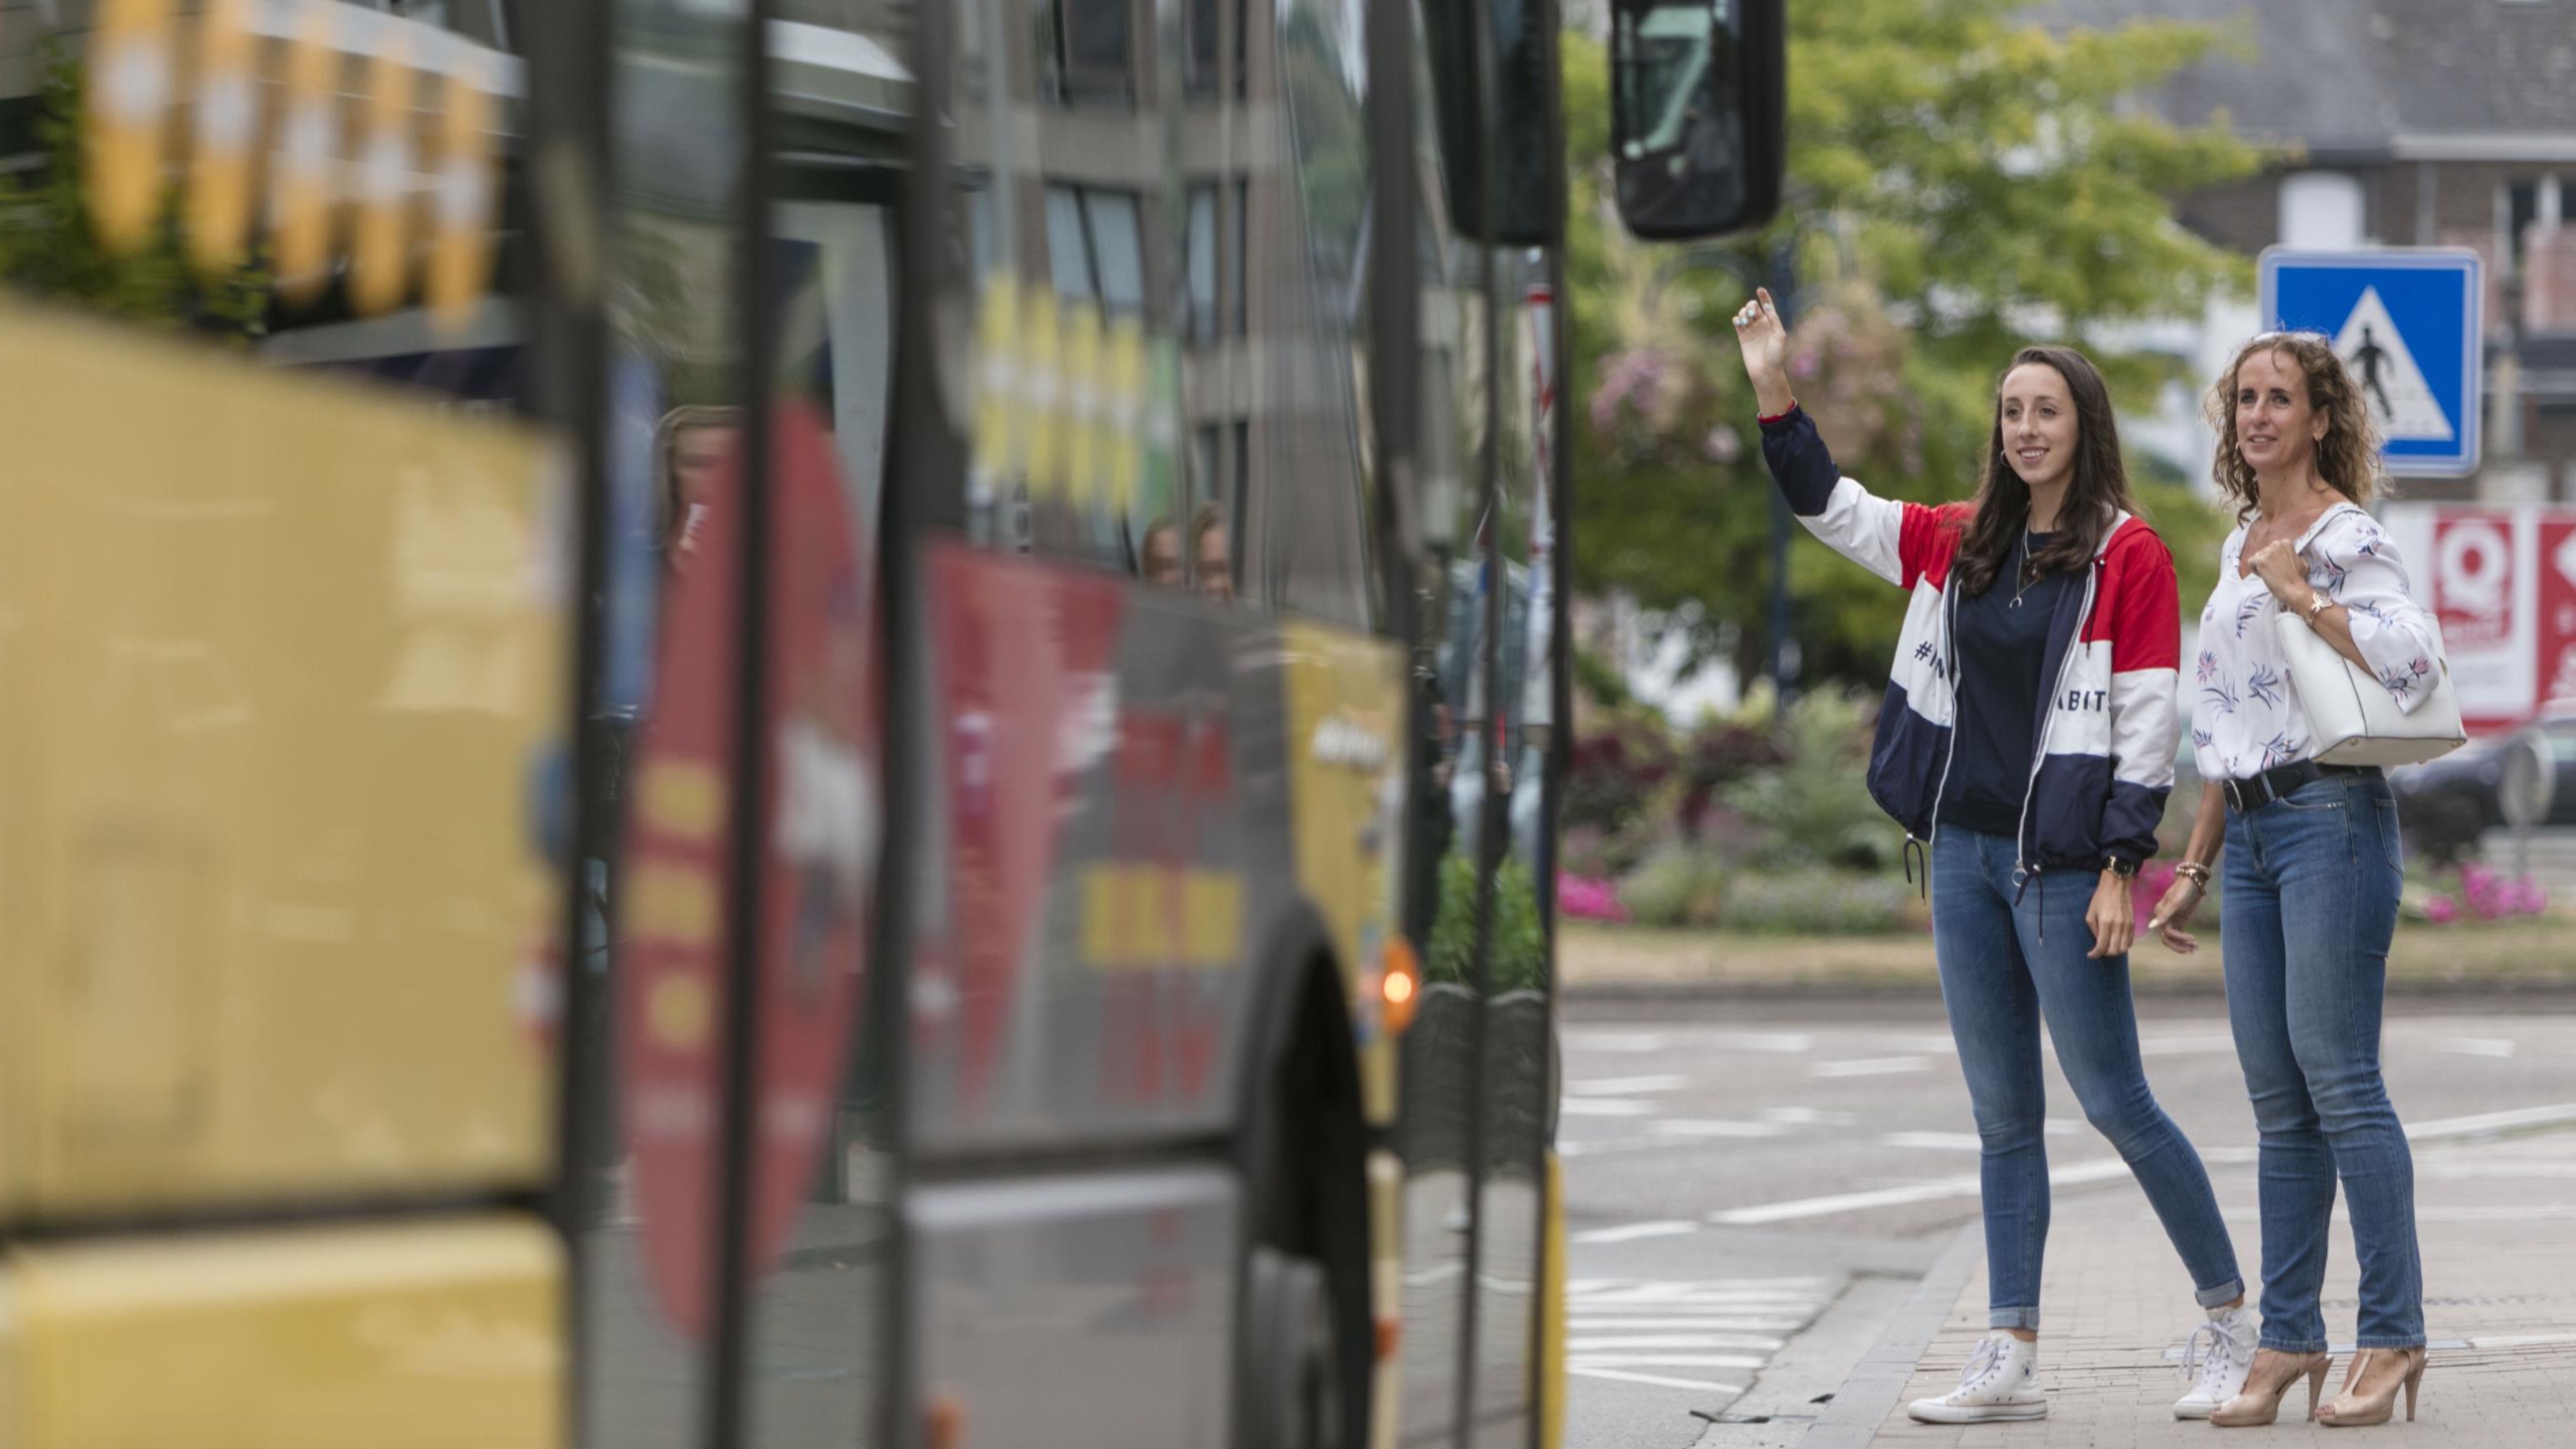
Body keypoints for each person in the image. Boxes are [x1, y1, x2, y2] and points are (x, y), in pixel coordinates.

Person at [1730, 288, 2248, 1424]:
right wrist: (1773, 380)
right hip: (1962, 859)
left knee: (2115, 1102)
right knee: (2001, 1119)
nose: (2024, 429)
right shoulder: (1960, 540)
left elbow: (2146, 722)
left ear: (2082, 427)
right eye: (2011, 411)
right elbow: (1828, 504)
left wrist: (2123, 864)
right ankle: (2007, 1349)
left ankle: (2227, 1325)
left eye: (2045, 411)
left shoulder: (2129, 557)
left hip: (2064, 870)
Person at [2145, 331, 2436, 1430]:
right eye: (2244, 400)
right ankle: (2287, 1339)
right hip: (2256, 837)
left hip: (2334, 821)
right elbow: (2226, 725)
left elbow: (2410, 664)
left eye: (2280, 399)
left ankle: (2393, 1331)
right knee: (2278, 1105)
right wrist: (2194, 866)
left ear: (2321, 420)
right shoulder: (2237, 545)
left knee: (2340, 1083)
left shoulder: (2342, 536)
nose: (2257, 416)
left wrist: (2306, 594)